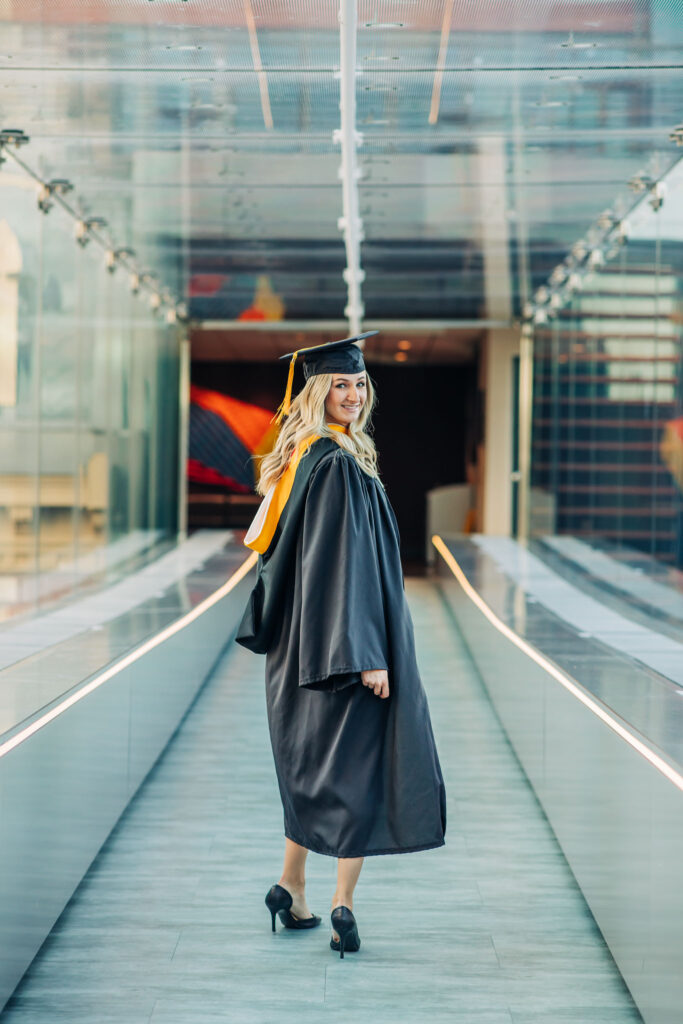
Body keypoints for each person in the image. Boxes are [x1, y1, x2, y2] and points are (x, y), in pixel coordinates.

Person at [236, 331, 446, 958]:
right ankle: (342, 906)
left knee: (311, 769)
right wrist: (369, 656)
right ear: (317, 392)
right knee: (359, 769)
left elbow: (280, 567)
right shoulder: (337, 466)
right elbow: (348, 566)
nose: (352, 395)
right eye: (340, 385)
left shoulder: (300, 457)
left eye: (359, 384)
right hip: (345, 650)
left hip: (301, 649)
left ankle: (289, 886)